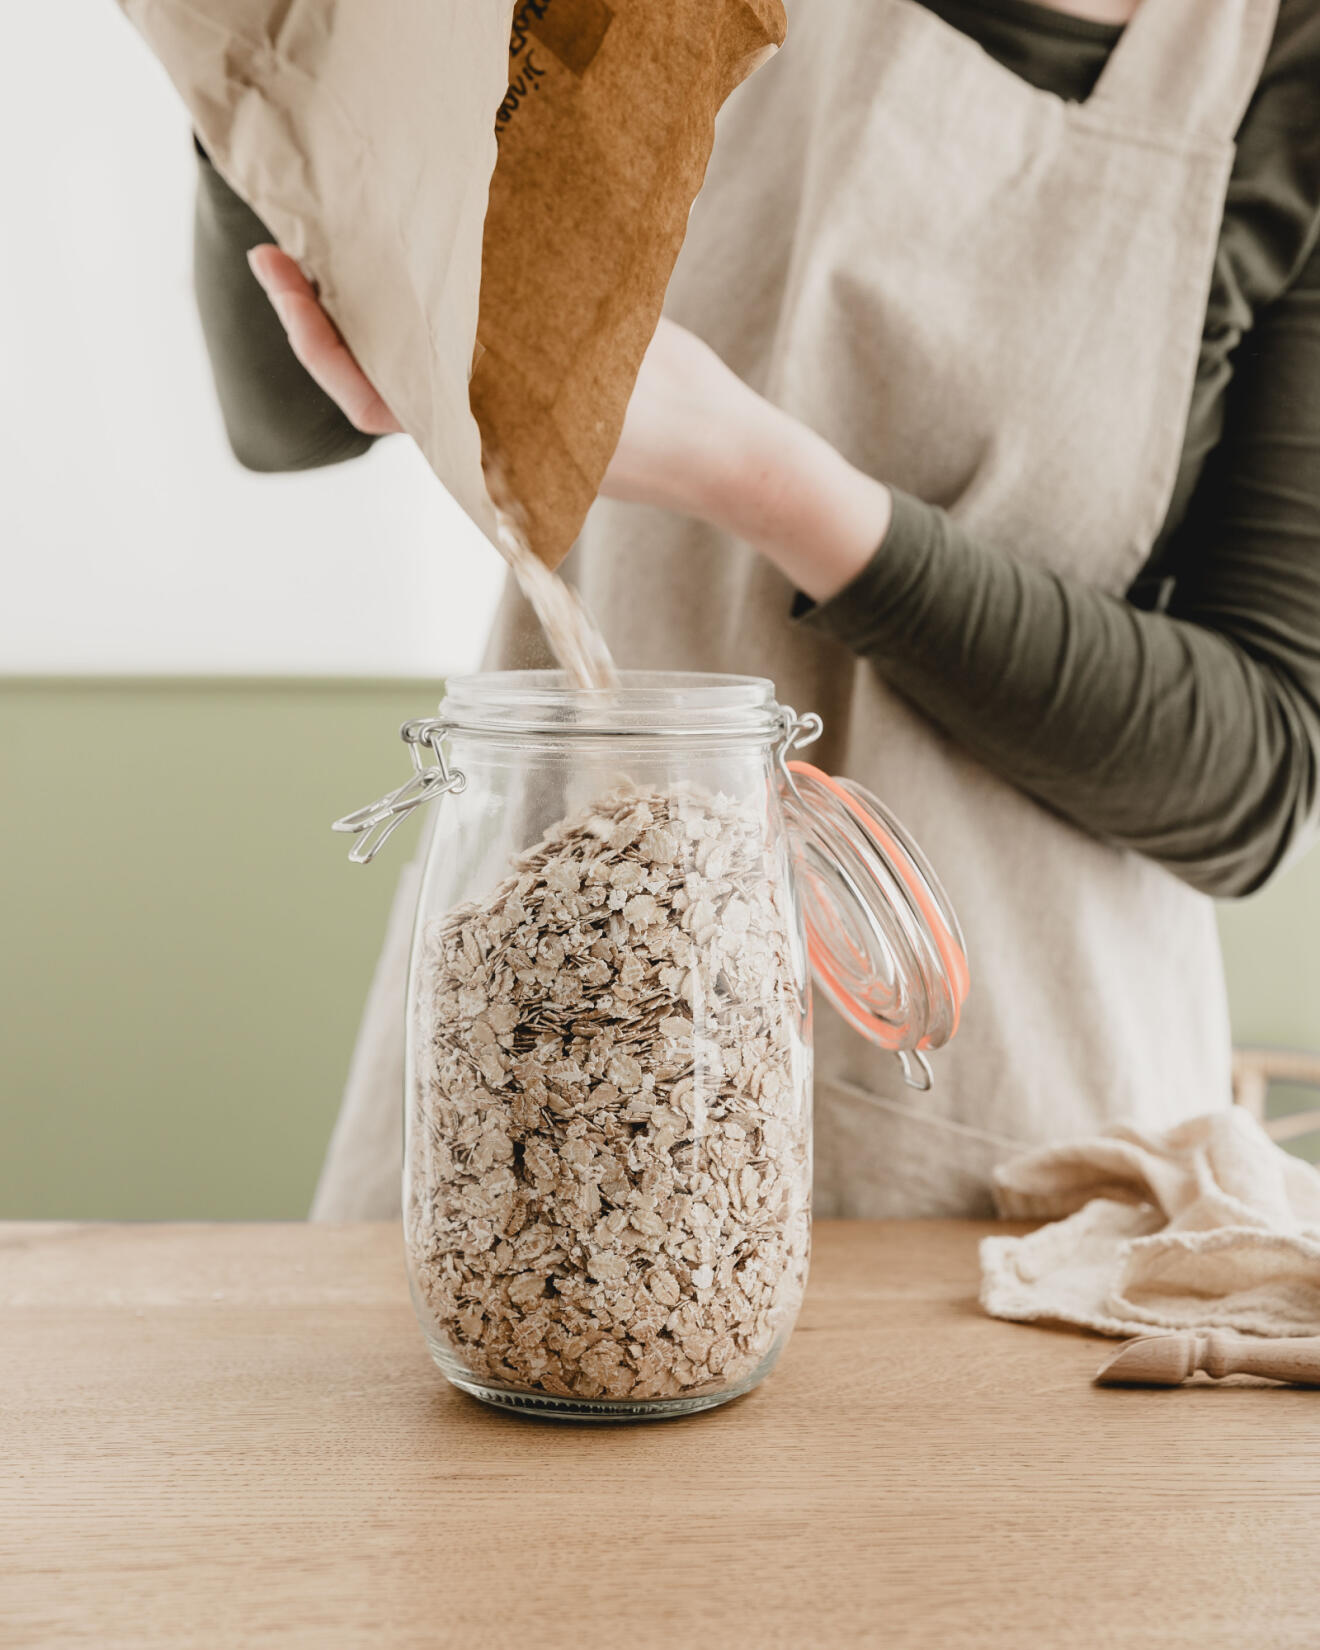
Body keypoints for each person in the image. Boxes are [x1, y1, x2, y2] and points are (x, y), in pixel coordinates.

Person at [191, 0, 1320, 1219]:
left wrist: (758, 476)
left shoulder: (1281, 60)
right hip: (543, 1054)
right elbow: (292, 415)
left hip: (1005, 1146)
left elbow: (1250, 777)